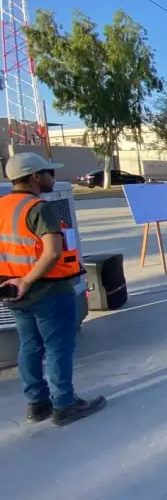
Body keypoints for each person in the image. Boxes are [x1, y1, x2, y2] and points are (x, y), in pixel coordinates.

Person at [0, 153, 105, 426]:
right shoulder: (39, 208)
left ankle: (37, 403)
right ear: (35, 176)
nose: (52, 178)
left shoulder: (2, 206)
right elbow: (52, 253)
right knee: (58, 347)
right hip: (46, 290)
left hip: (13, 291)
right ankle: (64, 404)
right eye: (49, 172)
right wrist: (28, 280)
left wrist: (16, 282)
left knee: (30, 346)